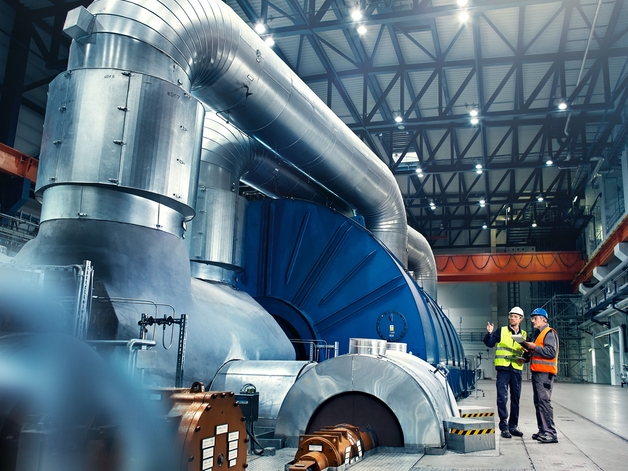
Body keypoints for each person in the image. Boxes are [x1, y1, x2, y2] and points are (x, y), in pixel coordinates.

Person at [483, 306, 527, 439]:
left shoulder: (524, 335)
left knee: (515, 398)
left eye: (515, 316)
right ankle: (504, 427)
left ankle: (513, 426)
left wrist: (525, 359)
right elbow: (490, 343)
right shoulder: (501, 331)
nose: (512, 318)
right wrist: (490, 333)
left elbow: (528, 352)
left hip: (516, 370)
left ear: (520, 319)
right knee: (502, 398)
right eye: (511, 316)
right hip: (503, 370)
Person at [521, 307, 559, 444]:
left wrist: (534, 347)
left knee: (544, 402)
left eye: (535, 318)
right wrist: (527, 354)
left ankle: (550, 433)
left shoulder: (549, 333)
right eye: (532, 318)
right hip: (538, 372)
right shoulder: (538, 335)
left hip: (545, 373)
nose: (532, 321)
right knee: (538, 402)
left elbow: (550, 352)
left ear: (544, 319)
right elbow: (538, 353)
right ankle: (543, 430)